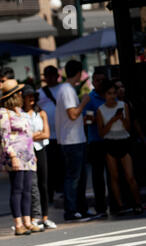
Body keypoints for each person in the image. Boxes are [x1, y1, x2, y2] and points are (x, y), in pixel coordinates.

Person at [0, 80, 43, 236]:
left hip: (28, 155)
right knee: (18, 189)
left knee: (28, 189)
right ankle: (18, 224)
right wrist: (13, 156)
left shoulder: (21, 112)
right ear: (13, 96)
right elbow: (5, 136)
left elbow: (29, 135)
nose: (22, 95)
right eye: (19, 93)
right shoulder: (3, 113)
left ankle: (28, 222)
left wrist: (33, 154)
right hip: (14, 155)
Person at [55, 60, 95, 222]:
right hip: (72, 140)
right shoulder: (67, 90)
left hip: (74, 138)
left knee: (79, 177)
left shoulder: (66, 89)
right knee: (74, 177)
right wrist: (85, 101)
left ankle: (81, 208)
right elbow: (72, 114)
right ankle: (71, 210)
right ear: (78, 73)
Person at [95, 80, 143, 214]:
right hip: (110, 142)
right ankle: (120, 205)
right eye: (109, 93)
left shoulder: (123, 105)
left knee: (130, 175)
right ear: (104, 95)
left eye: (114, 93)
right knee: (114, 176)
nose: (112, 96)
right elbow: (101, 132)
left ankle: (137, 202)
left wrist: (121, 119)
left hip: (124, 140)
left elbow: (128, 128)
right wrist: (112, 121)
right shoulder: (101, 110)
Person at [22, 85, 56, 229]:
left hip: (40, 149)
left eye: (32, 96)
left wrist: (31, 136)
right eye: (27, 96)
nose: (31, 99)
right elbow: (22, 136)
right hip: (26, 151)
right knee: (29, 184)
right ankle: (30, 217)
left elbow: (46, 134)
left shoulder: (41, 113)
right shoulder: (21, 114)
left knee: (43, 183)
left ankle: (45, 216)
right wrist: (34, 136)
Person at [37, 66, 65, 203]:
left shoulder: (63, 89)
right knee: (50, 167)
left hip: (62, 135)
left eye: (52, 75)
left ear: (57, 76)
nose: (50, 78)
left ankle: (62, 190)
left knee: (62, 164)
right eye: (47, 75)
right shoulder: (40, 92)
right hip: (48, 137)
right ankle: (51, 193)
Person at [83, 70, 109, 217]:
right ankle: (101, 208)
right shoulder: (90, 99)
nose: (100, 83)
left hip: (112, 139)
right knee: (98, 176)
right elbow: (87, 121)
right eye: (97, 80)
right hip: (96, 141)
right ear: (93, 82)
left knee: (114, 174)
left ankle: (118, 203)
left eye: (102, 80)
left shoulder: (110, 95)